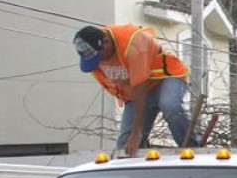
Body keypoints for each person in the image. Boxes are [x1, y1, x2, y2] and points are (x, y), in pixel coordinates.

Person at [73, 24, 200, 156]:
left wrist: (136, 134)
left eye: (99, 57)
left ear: (105, 42)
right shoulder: (95, 58)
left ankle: (193, 149)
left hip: (166, 78)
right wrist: (132, 138)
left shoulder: (133, 43)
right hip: (137, 91)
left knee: (170, 105)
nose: (98, 62)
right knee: (125, 148)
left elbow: (140, 88)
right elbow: (127, 88)